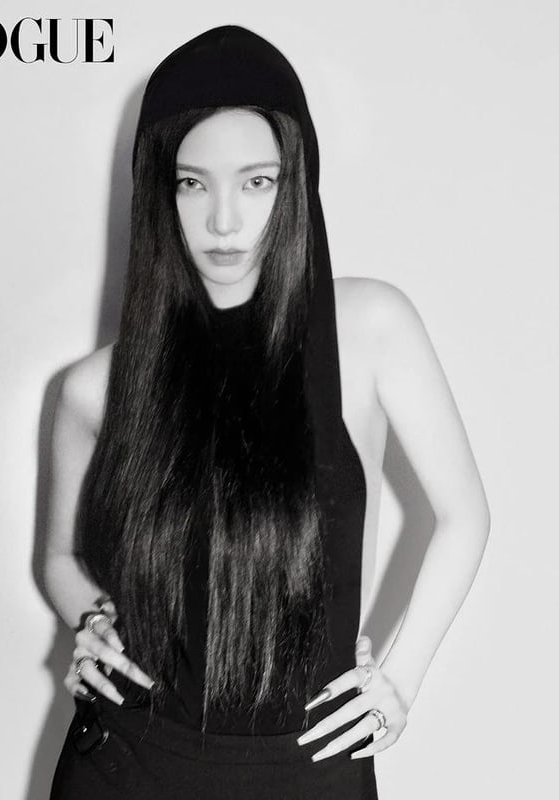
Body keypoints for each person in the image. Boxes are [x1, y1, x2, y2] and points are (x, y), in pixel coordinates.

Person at [45, 25, 490, 800]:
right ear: (157, 193)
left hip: (306, 766)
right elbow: (57, 557)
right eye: (192, 183)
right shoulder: (95, 386)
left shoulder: (369, 328)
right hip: (125, 762)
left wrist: (401, 678)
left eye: (256, 182)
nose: (223, 220)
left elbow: (465, 516)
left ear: (296, 184)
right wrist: (92, 622)